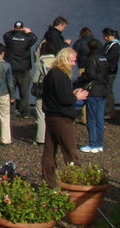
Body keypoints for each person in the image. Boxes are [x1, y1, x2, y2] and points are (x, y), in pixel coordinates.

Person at [41, 46, 88, 187]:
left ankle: (49, 182)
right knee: (69, 151)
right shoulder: (61, 76)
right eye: (72, 61)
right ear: (64, 60)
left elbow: (57, 95)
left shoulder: (51, 74)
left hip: (50, 116)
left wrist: (71, 94)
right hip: (61, 118)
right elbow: (64, 100)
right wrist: (76, 97)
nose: (74, 64)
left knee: (49, 151)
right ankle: (76, 182)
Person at [76, 38, 110, 153]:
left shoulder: (91, 58)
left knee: (91, 118)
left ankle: (93, 144)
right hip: (104, 90)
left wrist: (80, 79)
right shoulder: (104, 58)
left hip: (94, 91)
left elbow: (90, 75)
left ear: (89, 48)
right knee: (100, 118)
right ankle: (99, 144)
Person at [3, 21, 38, 118]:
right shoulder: (27, 39)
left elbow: (5, 35)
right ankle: (25, 113)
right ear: (22, 28)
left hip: (11, 69)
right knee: (24, 93)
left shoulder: (9, 38)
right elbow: (34, 38)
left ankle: (11, 113)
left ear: (14, 28)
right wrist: (28, 32)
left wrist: (14, 31)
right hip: (24, 69)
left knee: (11, 92)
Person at [32, 40, 56, 145]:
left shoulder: (39, 63)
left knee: (41, 115)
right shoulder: (57, 61)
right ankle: (55, 137)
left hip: (43, 91)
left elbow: (35, 79)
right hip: (55, 90)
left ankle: (41, 139)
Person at [101, 27, 120, 119]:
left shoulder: (115, 46)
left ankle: (109, 111)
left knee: (108, 90)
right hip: (106, 70)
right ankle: (105, 109)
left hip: (110, 71)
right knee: (106, 89)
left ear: (107, 36)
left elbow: (112, 59)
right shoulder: (108, 44)